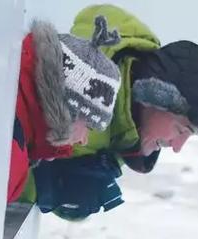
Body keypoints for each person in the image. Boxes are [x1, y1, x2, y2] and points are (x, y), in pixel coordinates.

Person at [17, 4, 198, 219]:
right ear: (156, 98)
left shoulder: (129, 130)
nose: (177, 147)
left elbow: (68, 203)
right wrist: (44, 183)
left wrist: (65, 193)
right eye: (180, 130)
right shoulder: (79, 83)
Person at [7, 14, 122, 203]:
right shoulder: (11, 154)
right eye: (89, 127)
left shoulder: (7, 94)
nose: (84, 141)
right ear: (70, 110)